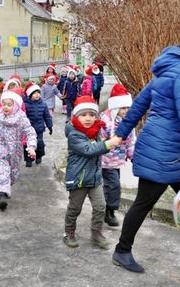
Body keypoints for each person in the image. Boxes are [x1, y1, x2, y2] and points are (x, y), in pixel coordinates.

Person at [111, 15, 180, 273]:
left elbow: (140, 102)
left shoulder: (171, 67)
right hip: (161, 153)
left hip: (176, 153)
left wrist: (122, 130)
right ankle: (121, 251)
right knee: (143, 203)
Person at [63, 96, 122, 249]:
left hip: (95, 178)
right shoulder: (74, 134)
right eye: (83, 115)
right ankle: (69, 231)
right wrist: (108, 143)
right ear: (76, 116)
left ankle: (96, 233)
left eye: (91, 115)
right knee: (75, 208)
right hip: (79, 179)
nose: (88, 118)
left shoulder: (95, 131)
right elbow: (89, 150)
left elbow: (100, 144)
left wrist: (110, 140)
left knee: (101, 207)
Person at [99, 83, 136, 227]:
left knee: (111, 186)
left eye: (128, 107)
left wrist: (133, 157)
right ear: (115, 107)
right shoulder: (106, 122)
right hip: (106, 160)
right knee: (113, 185)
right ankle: (110, 212)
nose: (126, 111)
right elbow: (99, 141)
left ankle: (105, 208)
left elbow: (131, 141)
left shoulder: (128, 122)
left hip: (118, 160)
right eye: (123, 108)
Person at [22, 82, 53, 167]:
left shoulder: (43, 104)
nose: (37, 95)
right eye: (35, 93)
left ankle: (38, 156)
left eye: (38, 92)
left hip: (39, 129)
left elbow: (47, 116)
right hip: (28, 130)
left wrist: (50, 126)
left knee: (39, 144)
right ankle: (29, 159)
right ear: (30, 94)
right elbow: (22, 118)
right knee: (27, 145)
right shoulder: (25, 105)